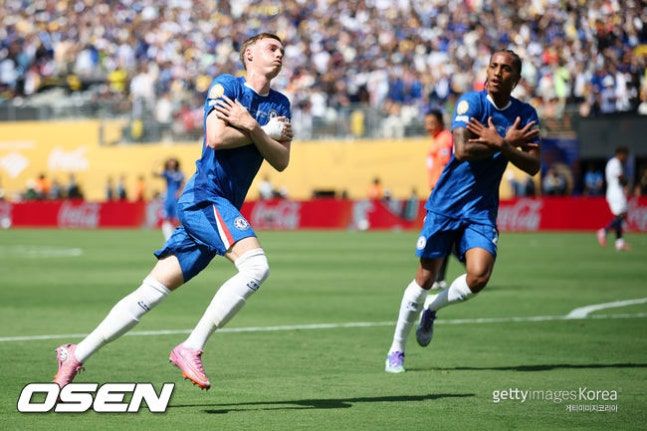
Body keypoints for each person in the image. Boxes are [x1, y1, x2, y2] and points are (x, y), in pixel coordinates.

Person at [53, 33, 293, 390]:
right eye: (271, 48)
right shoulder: (227, 86)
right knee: (256, 266)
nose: (279, 53)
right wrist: (262, 131)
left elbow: (281, 160)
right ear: (249, 54)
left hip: (222, 205)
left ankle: (75, 354)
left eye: (282, 50)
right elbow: (215, 138)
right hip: (205, 196)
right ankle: (191, 346)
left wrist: (256, 128)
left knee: (150, 291)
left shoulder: (281, 103)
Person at [385, 50, 541, 373]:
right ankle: (396, 349)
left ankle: (432, 309)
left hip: (481, 209)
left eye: (505, 69)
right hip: (446, 203)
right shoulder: (471, 102)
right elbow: (462, 149)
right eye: (493, 66)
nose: (496, 72)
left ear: (516, 79)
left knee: (479, 276)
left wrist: (502, 143)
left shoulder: (525, 114)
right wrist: (504, 141)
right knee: (425, 276)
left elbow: (533, 166)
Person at [424, 108, 454, 290]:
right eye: (426, 123)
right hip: (438, 192)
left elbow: (446, 166)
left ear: (440, 123)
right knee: (445, 235)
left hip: (442, 194)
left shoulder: (444, 140)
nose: (428, 127)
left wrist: (439, 192)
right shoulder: (437, 139)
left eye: (432, 123)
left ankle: (439, 277)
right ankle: (440, 277)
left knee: (440, 234)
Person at [597, 147, 630, 251]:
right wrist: (626, 184)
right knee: (621, 215)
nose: (626, 158)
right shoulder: (615, 163)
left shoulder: (612, 162)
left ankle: (619, 243)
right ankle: (604, 231)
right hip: (616, 192)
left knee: (619, 216)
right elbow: (620, 177)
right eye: (625, 155)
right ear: (620, 154)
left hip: (614, 192)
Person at [153, 158, 185, 240]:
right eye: (170, 163)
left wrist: (180, 191)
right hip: (168, 199)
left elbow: (183, 183)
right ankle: (168, 238)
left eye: (173, 163)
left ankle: (177, 236)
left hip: (176, 199)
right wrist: (156, 164)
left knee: (177, 219)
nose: (171, 164)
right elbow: (155, 174)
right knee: (166, 218)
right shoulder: (167, 173)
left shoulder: (180, 173)